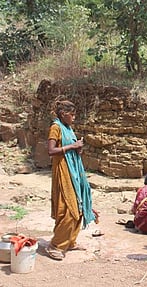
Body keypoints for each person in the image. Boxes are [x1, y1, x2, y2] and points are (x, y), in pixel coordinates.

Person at [46, 97, 98, 261]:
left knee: (79, 205)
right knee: (68, 210)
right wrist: (72, 147)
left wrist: (78, 149)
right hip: (63, 172)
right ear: (63, 114)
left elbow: (72, 149)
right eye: (72, 114)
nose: (74, 118)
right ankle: (56, 245)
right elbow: (51, 151)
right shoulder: (56, 127)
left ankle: (70, 241)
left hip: (75, 171)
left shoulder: (68, 128)